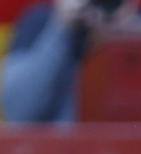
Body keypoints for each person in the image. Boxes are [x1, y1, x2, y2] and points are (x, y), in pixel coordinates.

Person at [2, 0, 133, 125]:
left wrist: (130, 32)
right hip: (60, 144)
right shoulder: (41, 20)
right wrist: (61, 28)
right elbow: (20, 112)